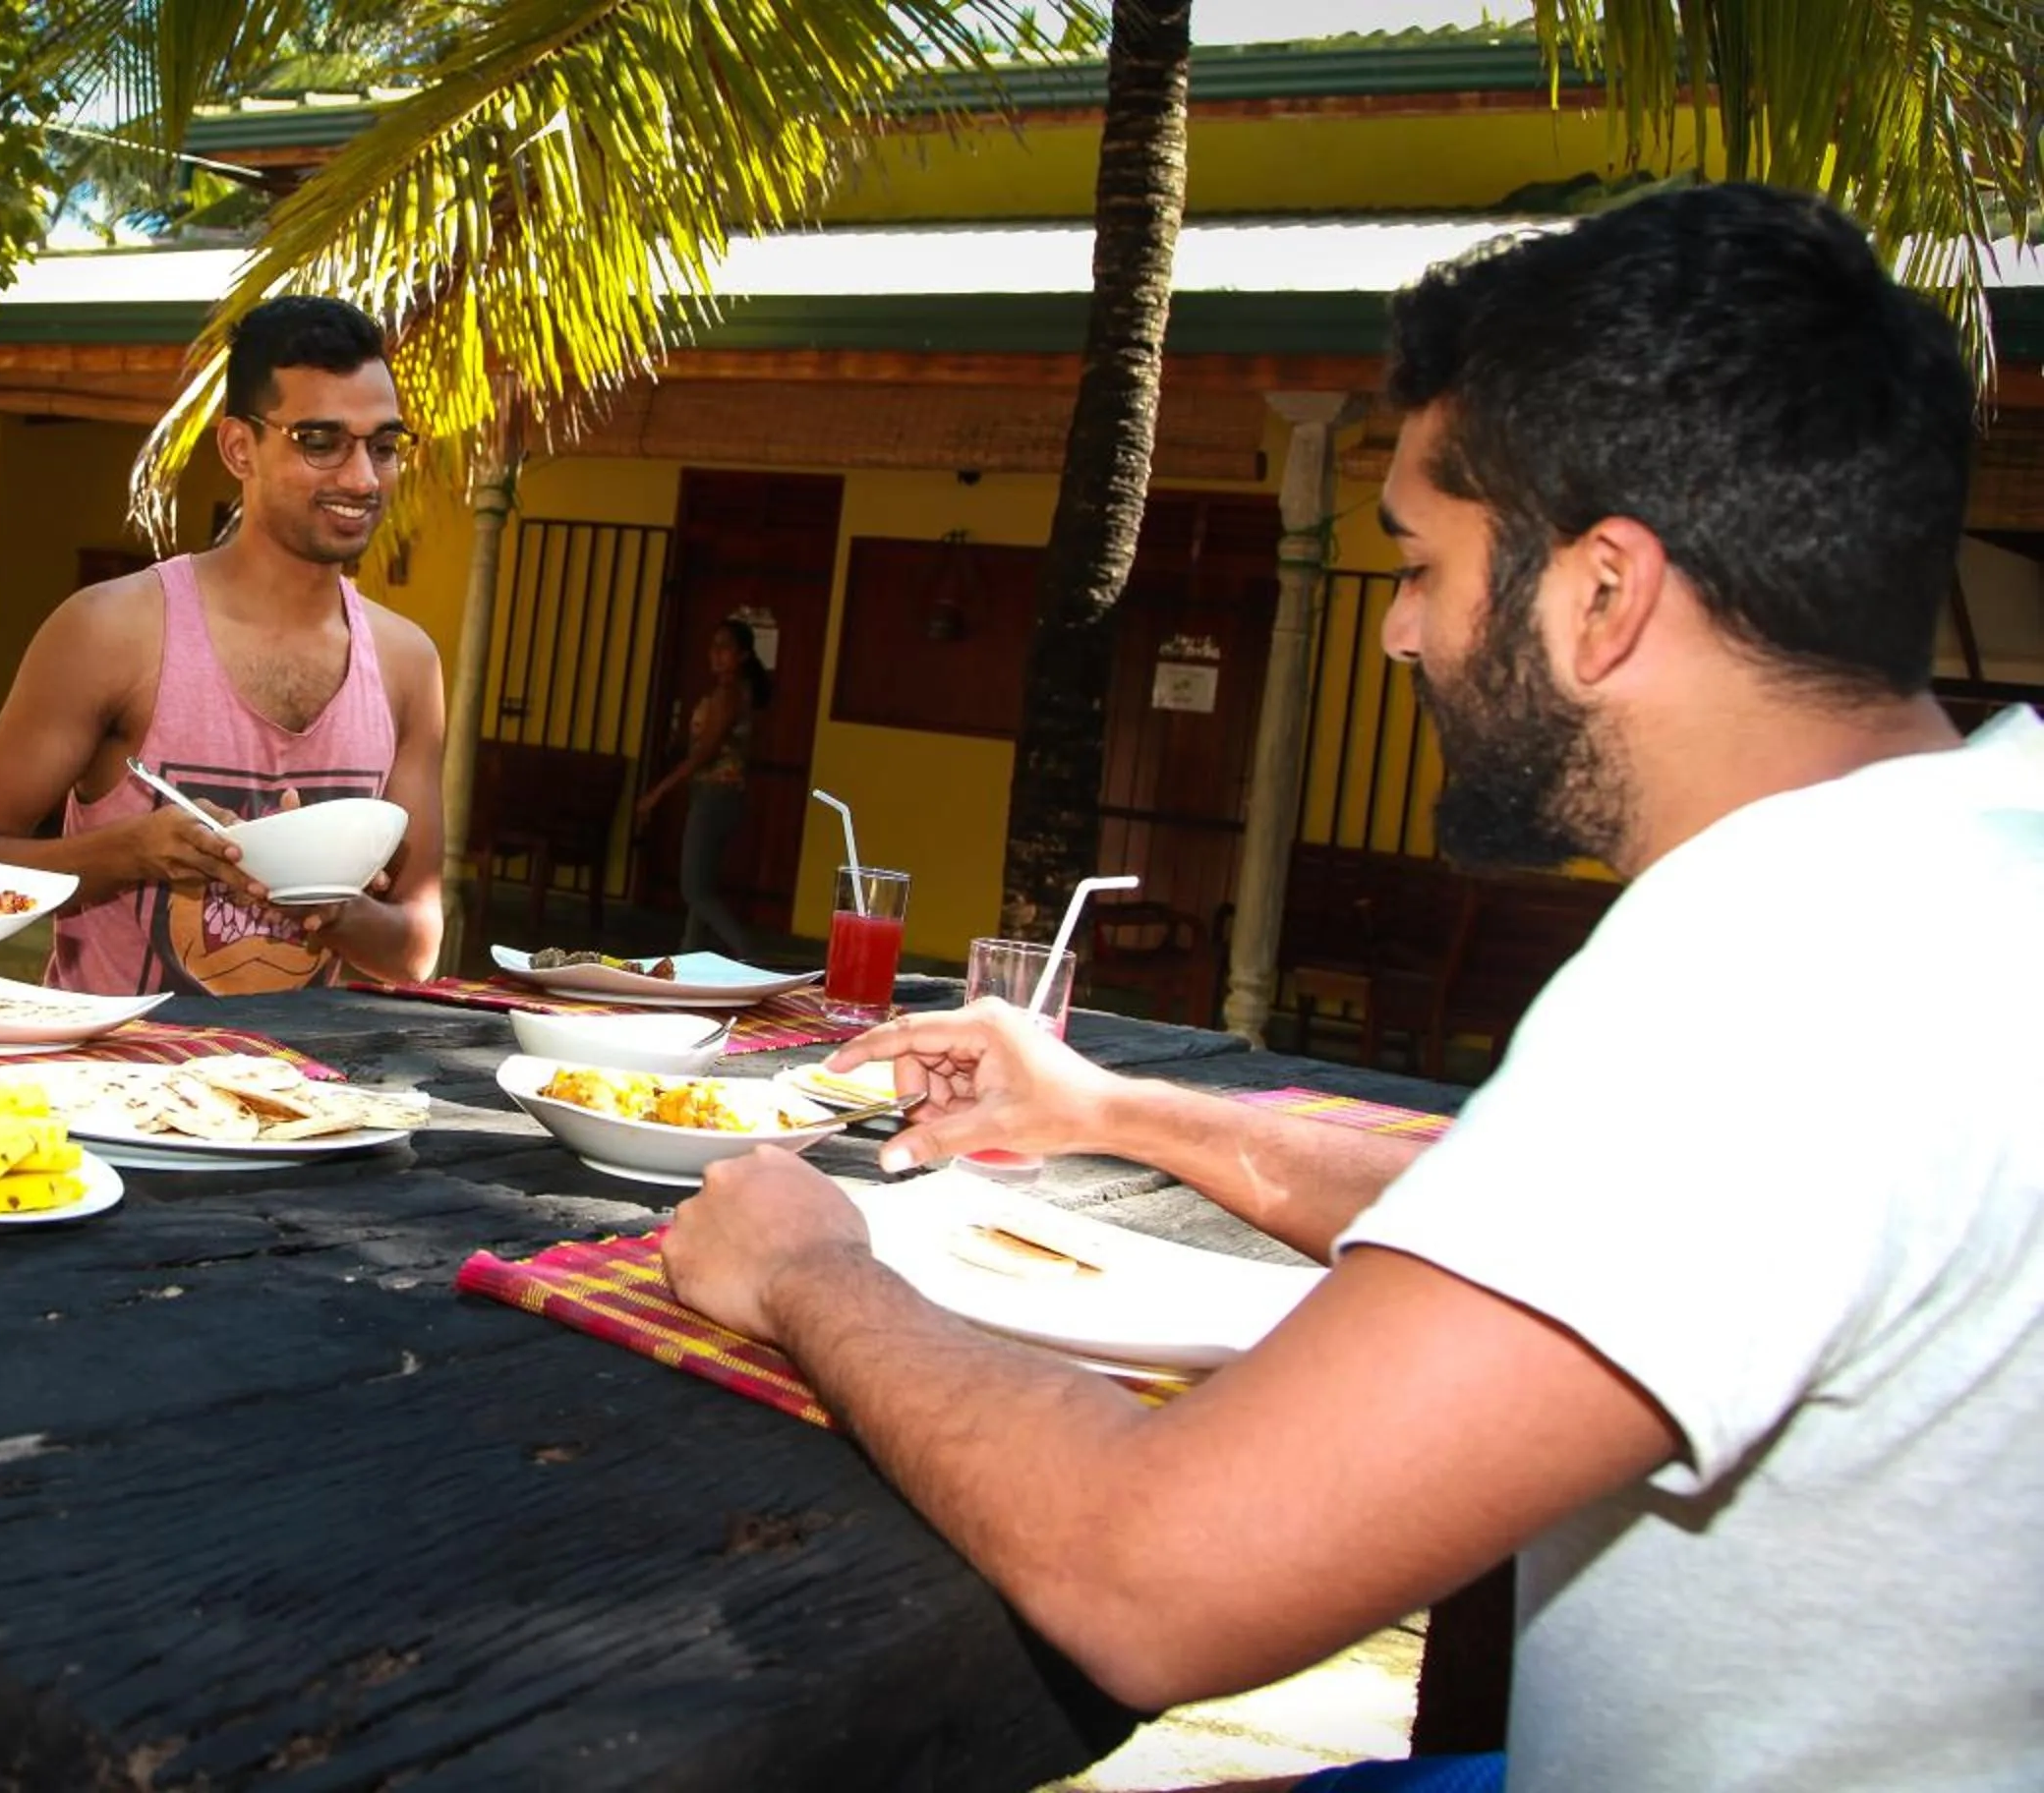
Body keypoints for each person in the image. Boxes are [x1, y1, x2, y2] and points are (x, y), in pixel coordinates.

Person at [663, 183, 2043, 1793]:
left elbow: (1153, 1571)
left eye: (1420, 561)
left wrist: (812, 1268)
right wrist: (1112, 1106)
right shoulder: (1965, 865)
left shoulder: (1772, 970)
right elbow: (1571, 1210)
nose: (1399, 633)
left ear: (1604, 594)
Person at [0, 295, 445, 997]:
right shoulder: (113, 630)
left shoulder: (406, 663)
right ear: (240, 447)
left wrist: (332, 908)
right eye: (321, 442)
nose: (362, 479)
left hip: (304, 1090)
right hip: (110, 1084)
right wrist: (129, 852)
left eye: (383, 447)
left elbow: (415, 948)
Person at [634, 616, 770, 955]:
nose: (716, 654)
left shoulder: (729, 693)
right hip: (719, 795)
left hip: (716, 795)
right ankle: (688, 954)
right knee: (702, 886)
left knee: (694, 889)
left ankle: (748, 952)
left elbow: (705, 752)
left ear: (742, 655)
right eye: (714, 646)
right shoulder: (732, 692)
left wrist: (658, 792)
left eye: (725, 648)